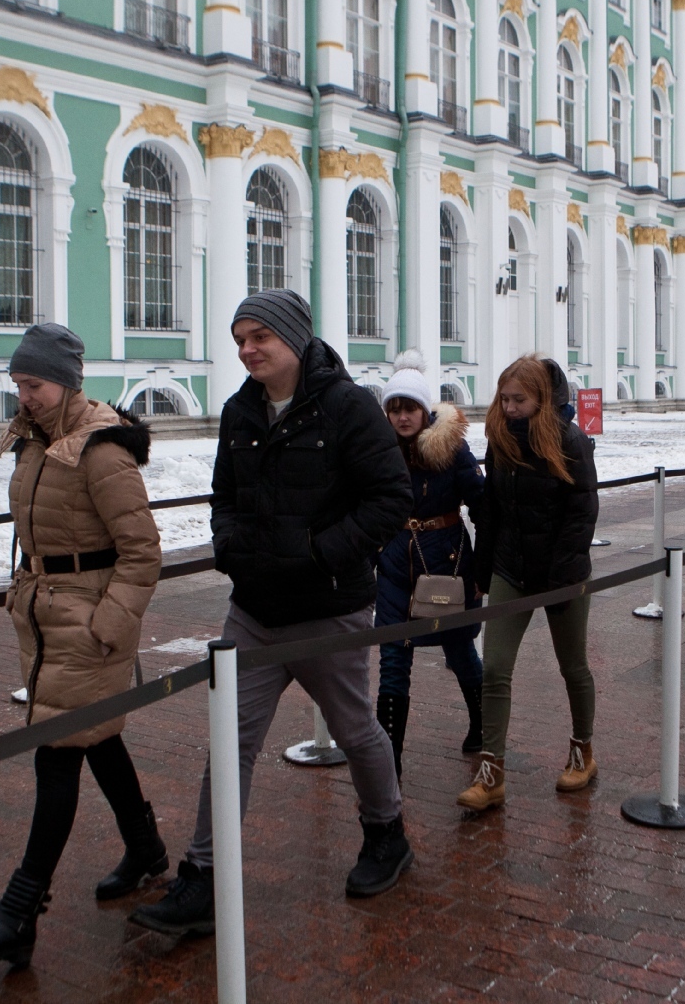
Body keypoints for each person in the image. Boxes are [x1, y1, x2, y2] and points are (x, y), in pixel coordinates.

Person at [134, 290, 413, 939]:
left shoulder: (348, 407)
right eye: (239, 338)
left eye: (259, 335)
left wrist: (321, 552)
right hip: (254, 612)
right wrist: (231, 547)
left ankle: (386, 833)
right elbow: (225, 496)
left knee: (356, 729)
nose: (247, 348)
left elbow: (389, 497)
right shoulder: (240, 410)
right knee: (231, 740)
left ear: (293, 337)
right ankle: (203, 877)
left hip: (328, 609)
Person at [0, 324, 166, 968]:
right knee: (94, 737)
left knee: (57, 753)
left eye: (34, 383)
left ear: (68, 382)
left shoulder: (101, 452)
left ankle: (19, 911)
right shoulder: (34, 445)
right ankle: (148, 849)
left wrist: (110, 624)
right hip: (47, 618)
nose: (23, 396)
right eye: (17, 383)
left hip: (87, 624)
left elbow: (142, 550)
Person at [457, 356, 599, 811]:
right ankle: (491, 771)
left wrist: (561, 579)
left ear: (543, 399)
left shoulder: (571, 441)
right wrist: (483, 572)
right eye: (505, 399)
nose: (511, 407)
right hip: (510, 569)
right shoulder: (500, 442)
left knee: (572, 666)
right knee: (496, 668)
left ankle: (583, 750)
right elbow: (492, 511)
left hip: (562, 574)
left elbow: (582, 514)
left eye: (520, 400)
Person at [373, 350, 486, 776]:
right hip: (395, 566)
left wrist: (482, 569)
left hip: (446, 564)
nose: (402, 417)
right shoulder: (379, 453)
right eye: (394, 409)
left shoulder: (452, 450)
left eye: (410, 408)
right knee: (393, 659)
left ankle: (481, 723)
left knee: (459, 650)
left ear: (425, 409)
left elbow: (481, 505)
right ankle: (390, 762)